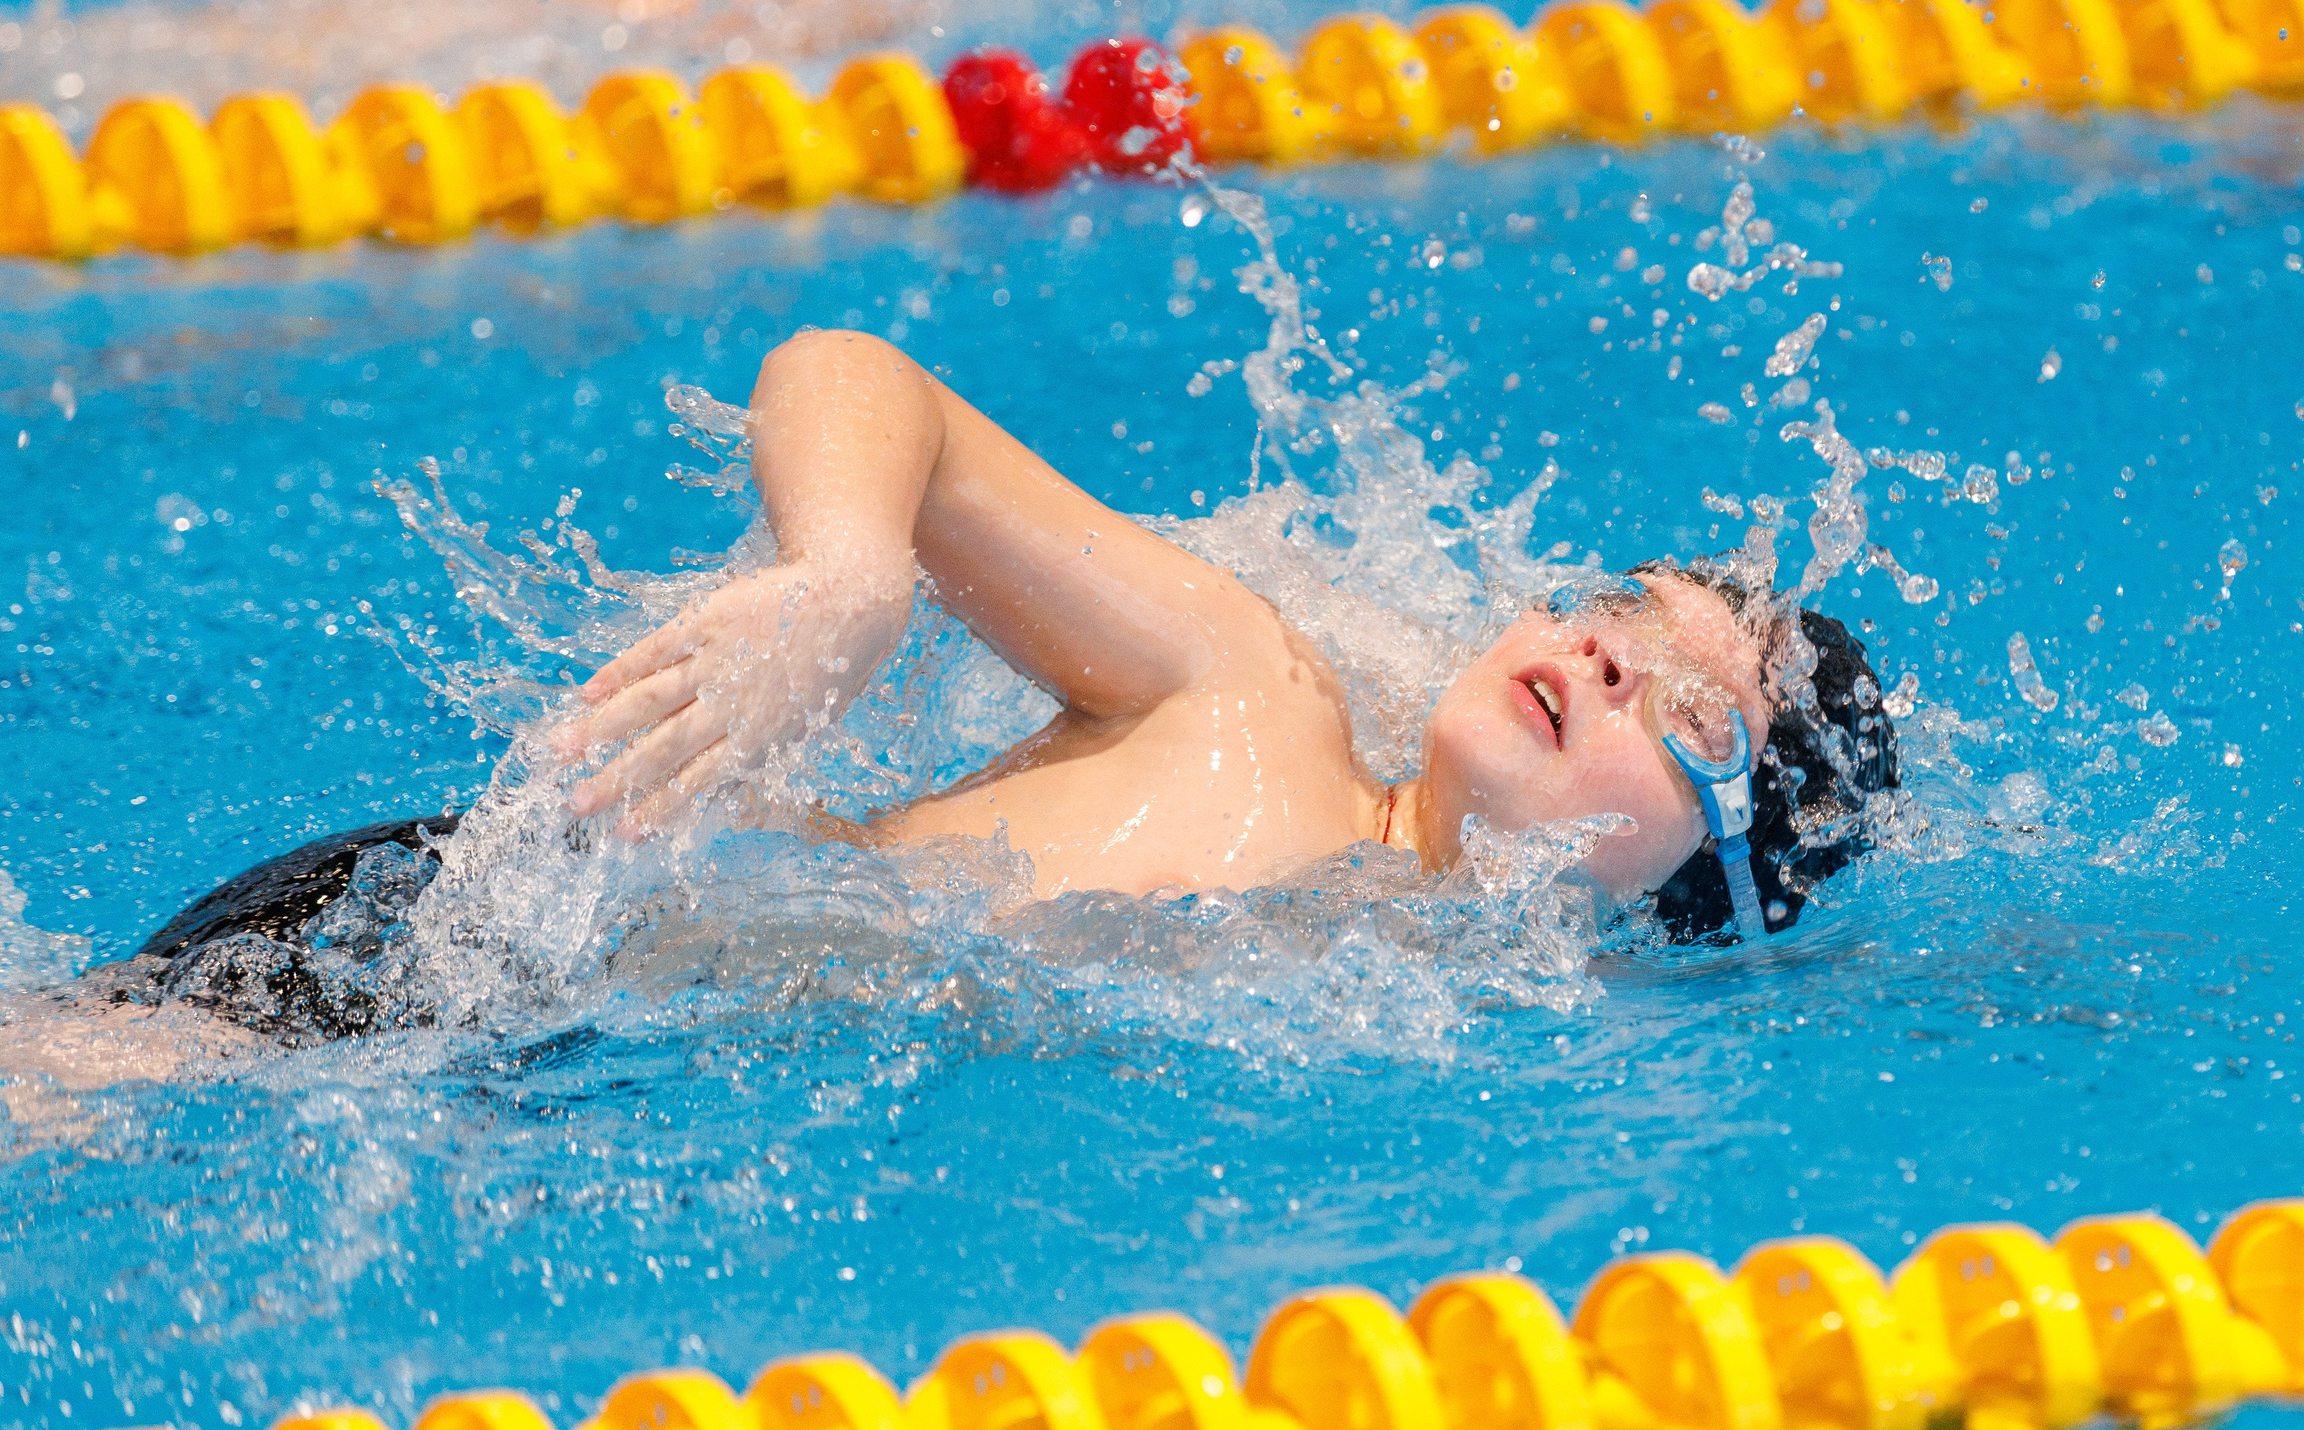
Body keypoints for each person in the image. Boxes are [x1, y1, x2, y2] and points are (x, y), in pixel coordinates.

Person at [130, 328, 1898, 1011]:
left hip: (557, 1061)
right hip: (472, 939)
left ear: (1698, 895)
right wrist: (846, 576)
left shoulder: (1449, 1034)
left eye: (1686, 713)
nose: (1600, 649)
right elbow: (857, 376)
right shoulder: (1250, 706)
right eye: (1616, 607)